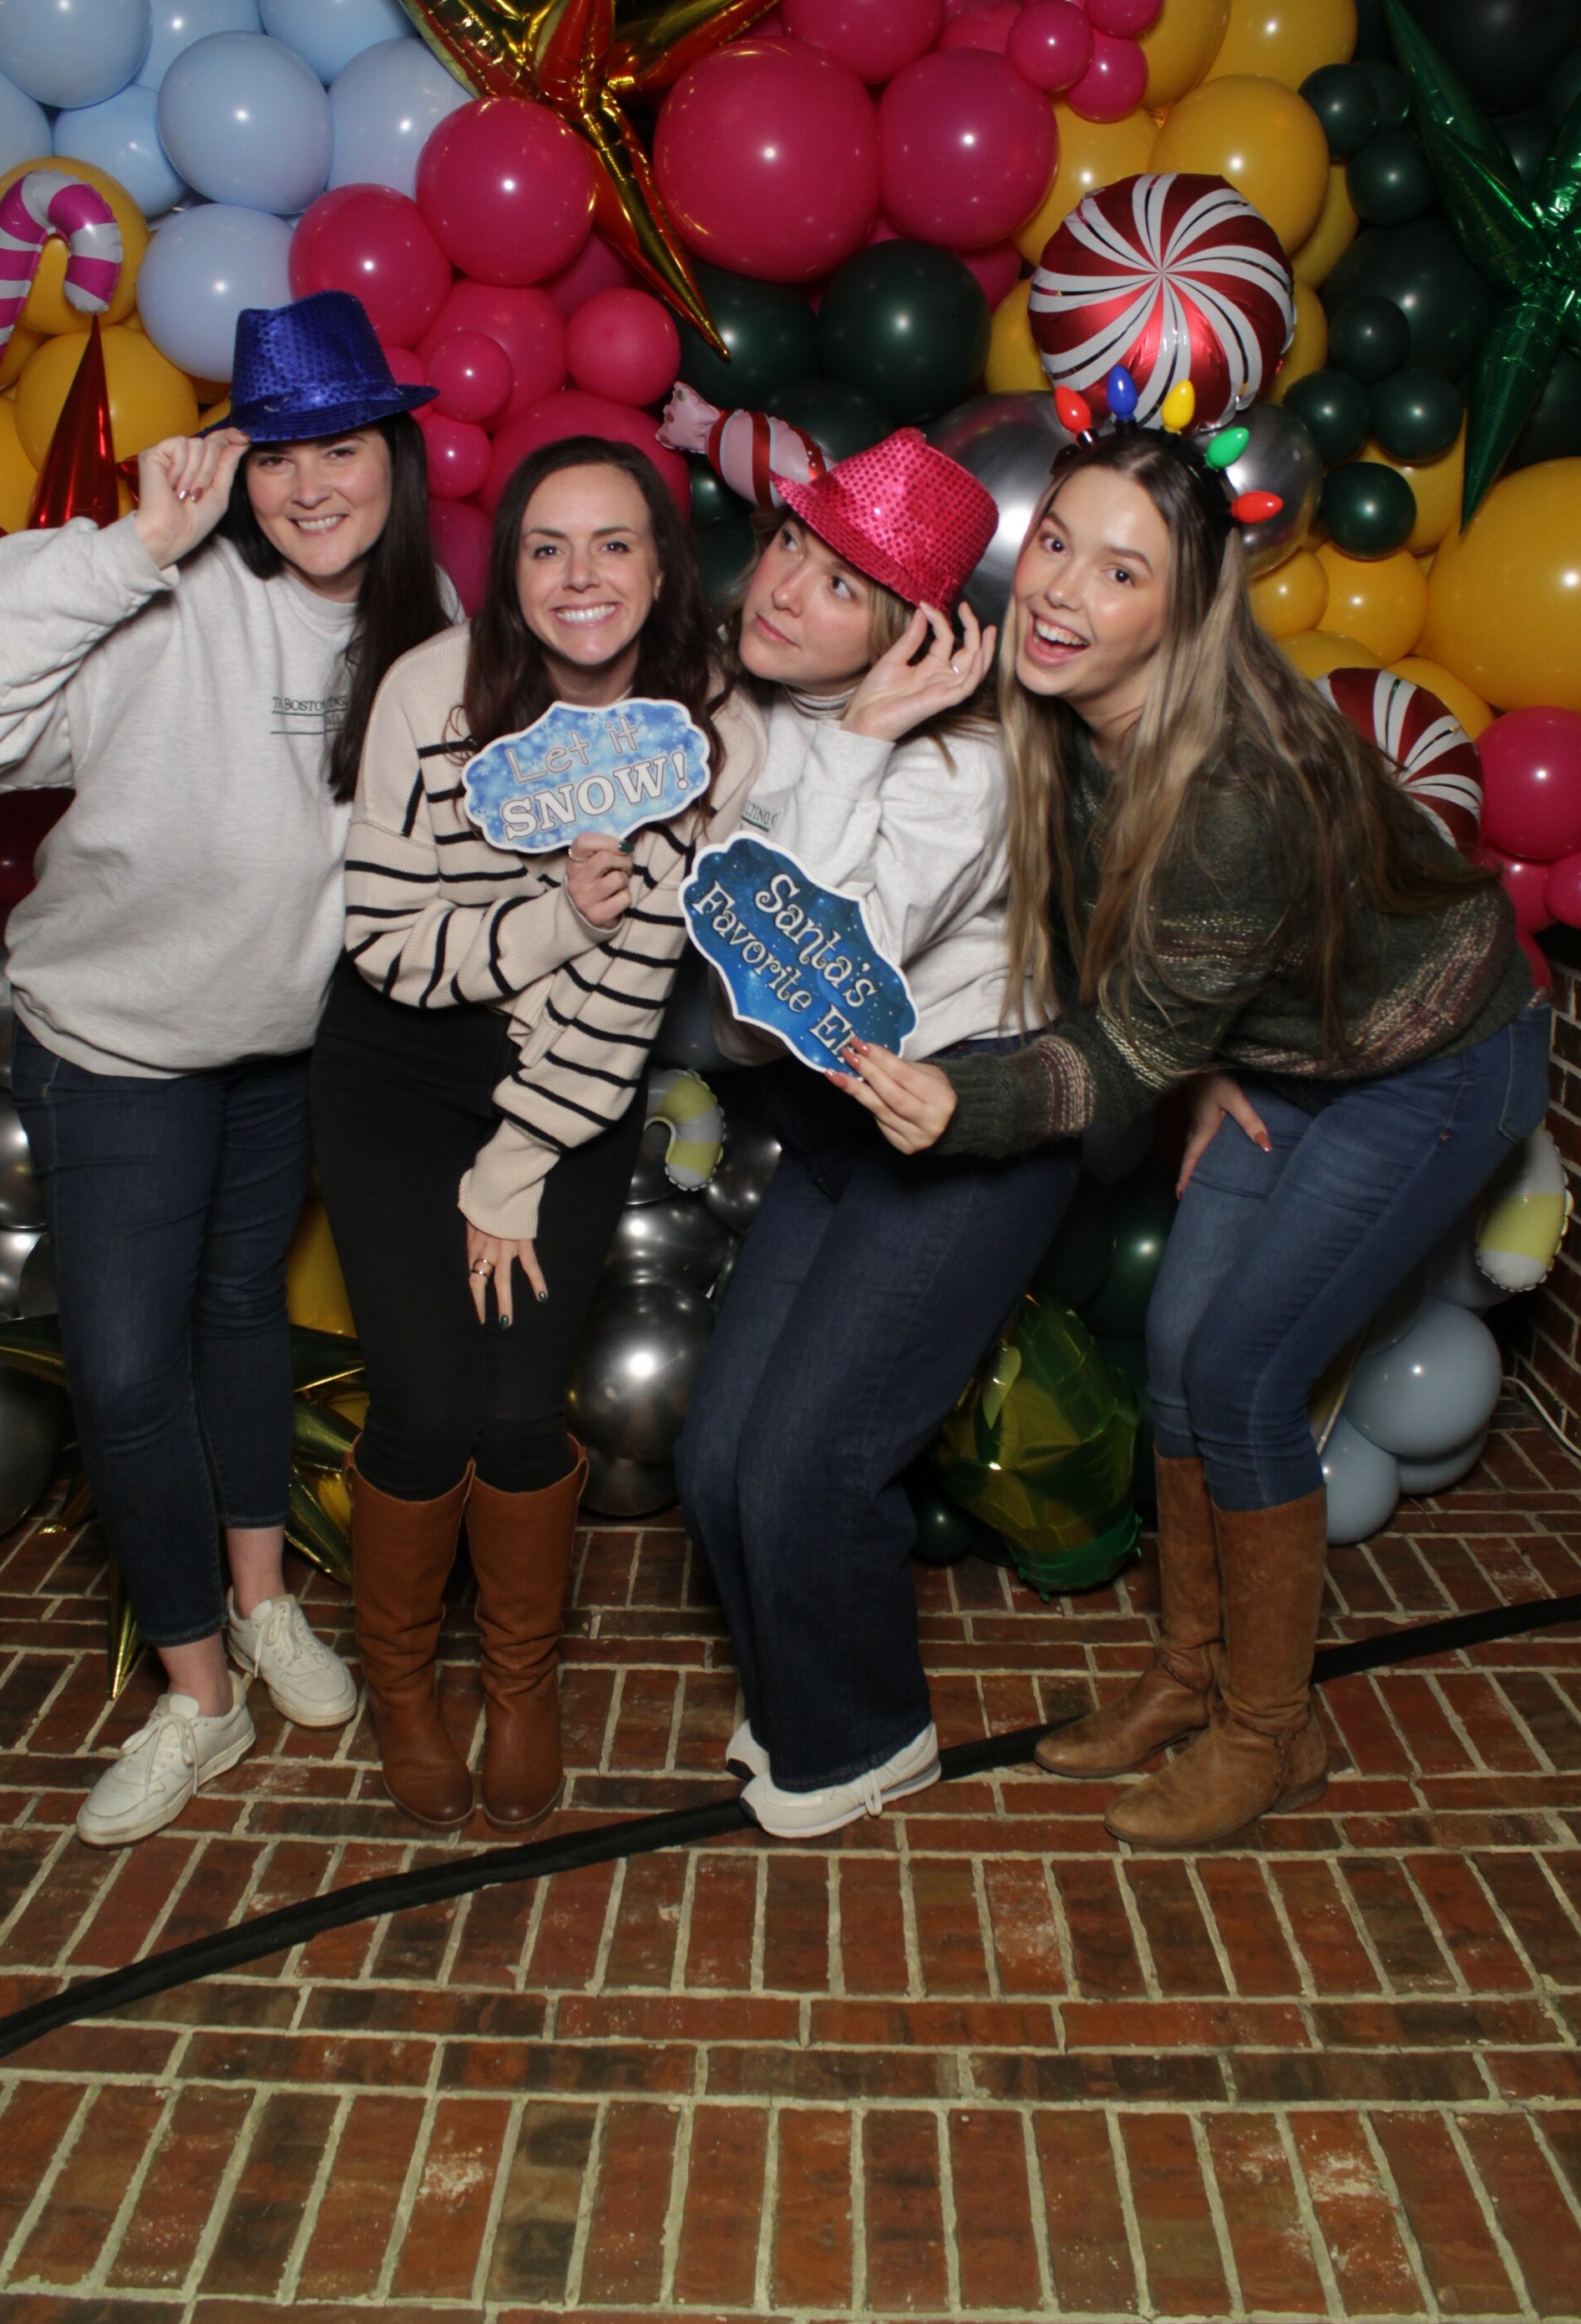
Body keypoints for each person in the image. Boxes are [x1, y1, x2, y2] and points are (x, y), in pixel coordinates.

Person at [839, 421, 1544, 1850]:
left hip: (1432, 1064)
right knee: (1177, 1351)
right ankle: (1190, 1675)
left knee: (1243, 1373)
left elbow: (1130, 1043)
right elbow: (1137, 981)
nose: (1062, 590)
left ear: (1186, 608)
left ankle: (1274, 1734)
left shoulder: (1231, 790)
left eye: (1122, 571)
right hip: (1291, 1047)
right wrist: (1205, 1048)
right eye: (1057, 544)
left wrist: (974, 1103)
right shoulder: (1063, 714)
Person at [0, 291, 455, 1848]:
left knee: (239, 1320)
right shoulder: (159, 596)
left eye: (340, 448)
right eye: (276, 455)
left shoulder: (425, 627)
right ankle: (199, 1693)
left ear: (395, 455)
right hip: (121, 1053)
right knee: (130, 1377)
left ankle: (265, 1603)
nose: (311, 486)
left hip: (285, 1055)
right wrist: (131, 547)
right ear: (232, 469)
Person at [312, 436, 765, 1836]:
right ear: (506, 570)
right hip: (399, 1066)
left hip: (571, 1091)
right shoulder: (430, 693)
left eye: (615, 542)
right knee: (425, 1404)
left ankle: (522, 1686)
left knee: (518, 1411)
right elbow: (386, 940)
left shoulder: (707, 733)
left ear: (664, 567)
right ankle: (404, 1691)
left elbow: (633, 991)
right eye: (546, 546)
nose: (582, 576)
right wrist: (558, 916)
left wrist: (514, 1163)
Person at [675, 431, 1083, 1840]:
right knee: (717, 1458)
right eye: (791, 546)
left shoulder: (962, 769)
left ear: (915, 637)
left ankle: (866, 1738)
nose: (787, 590)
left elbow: (807, 980)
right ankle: (804, 1690)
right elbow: (750, 1026)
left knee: (809, 1463)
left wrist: (857, 742)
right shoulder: (739, 710)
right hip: (837, 1121)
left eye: (843, 585)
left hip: (967, 1120)